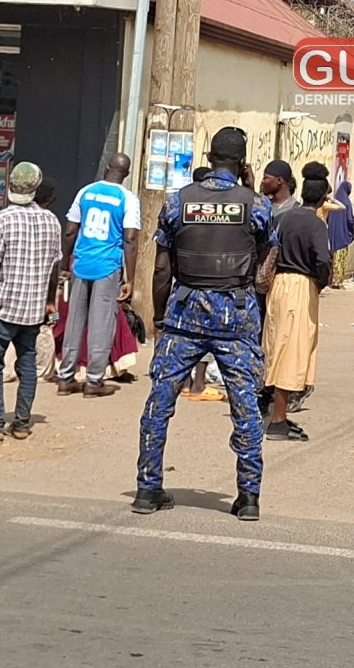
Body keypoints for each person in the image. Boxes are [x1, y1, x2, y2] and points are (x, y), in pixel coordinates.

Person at [137, 125, 273, 520]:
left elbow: (161, 268)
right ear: (242, 163)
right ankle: (249, 497)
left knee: (159, 402)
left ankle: (147, 489)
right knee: (245, 405)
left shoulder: (177, 201)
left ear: (209, 158)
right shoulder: (257, 205)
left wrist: (159, 318)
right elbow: (265, 265)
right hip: (236, 316)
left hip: (184, 314)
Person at [0, 161, 63, 442]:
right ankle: (21, 424)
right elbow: (55, 267)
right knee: (27, 364)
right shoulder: (51, 221)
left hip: (3, 308)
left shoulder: (1, 220)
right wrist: (50, 302)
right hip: (33, 310)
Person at [56, 152, 139, 394]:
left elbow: (70, 231)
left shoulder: (85, 192)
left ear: (106, 168)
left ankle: (65, 377)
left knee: (75, 320)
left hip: (81, 264)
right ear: (126, 174)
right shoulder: (128, 198)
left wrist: (64, 264)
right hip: (107, 267)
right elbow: (130, 238)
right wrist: (131, 278)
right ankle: (93, 381)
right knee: (101, 323)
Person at [261, 167, 332, 442]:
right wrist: (321, 282)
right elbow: (322, 260)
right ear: (323, 198)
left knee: (275, 345)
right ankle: (278, 420)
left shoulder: (285, 217)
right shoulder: (316, 224)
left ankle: (273, 411)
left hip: (277, 285)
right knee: (292, 351)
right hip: (300, 286)